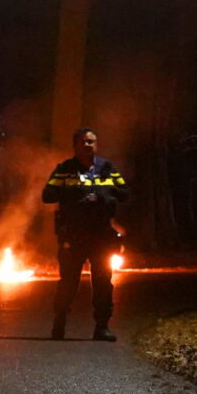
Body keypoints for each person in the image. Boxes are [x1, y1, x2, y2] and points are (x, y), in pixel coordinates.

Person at [41, 127, 126, 340]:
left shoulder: (108, 168)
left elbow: (124, 193)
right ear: (75, 145)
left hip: (101, 235)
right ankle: (59, 321)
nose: (87, 145)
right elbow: (47, 195)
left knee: (103, 281)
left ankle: (102, 327)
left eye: (91, 141)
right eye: (83, 142)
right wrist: (74, 196)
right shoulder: (64, 170)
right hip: (74, 234)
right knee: (68, 281)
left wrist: (101, 197)